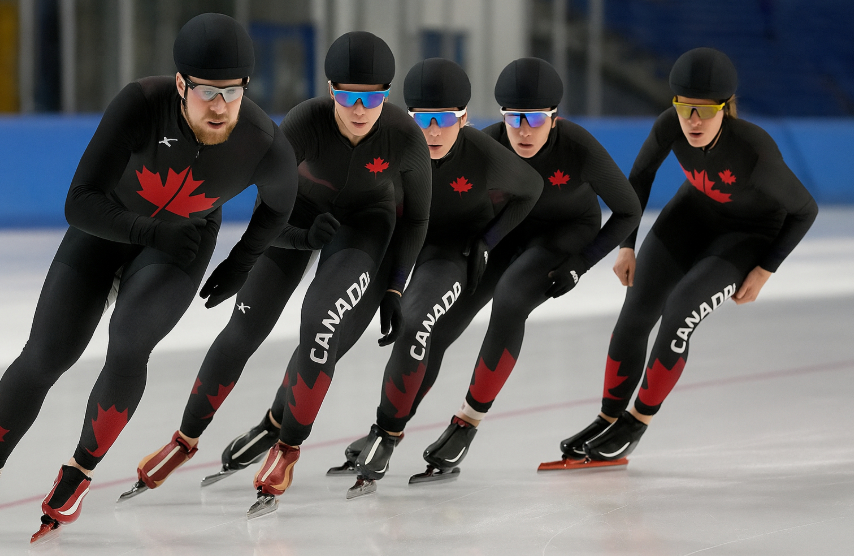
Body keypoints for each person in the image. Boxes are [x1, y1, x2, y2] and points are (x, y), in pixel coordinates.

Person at [0, 13, 299, 542]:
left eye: (232, 92)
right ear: (181, 84)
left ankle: (79, 470)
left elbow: (280, 206)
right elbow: (78, 202)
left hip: (180, 249)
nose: (220, 106)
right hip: (107, 229)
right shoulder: (141, 103)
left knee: (128, 344)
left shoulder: (263, 143)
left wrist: (242, 261)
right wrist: (150, 231)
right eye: (206, 91)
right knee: (45, 355)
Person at [123, 31, 432, 518]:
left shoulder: (405, 138)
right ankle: (185, 439)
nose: (358, 110)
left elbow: (416, 219)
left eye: (371, 99)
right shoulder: (304, 124)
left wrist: (394, 286)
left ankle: (287, 448)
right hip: (297, 218)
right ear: (330, 90)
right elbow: (267, 211)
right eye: (347, 97)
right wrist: (291, 242)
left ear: (386, 97)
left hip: (365, 227)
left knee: (320, 324)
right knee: (244, 327)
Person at [334, 57, 642, 482]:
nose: (524, 130)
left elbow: (628, 210)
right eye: (514, 118)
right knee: (435, 328)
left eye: (536, 119)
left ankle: (467, 422)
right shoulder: (487, 144)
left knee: (511, 298)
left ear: (555, 118)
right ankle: (388, 431)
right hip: (505, 234)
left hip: (564, 234)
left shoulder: (578, 147)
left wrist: (581, 263)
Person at [546, 47, 817, 469]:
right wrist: (626, 245)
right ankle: (608, 418)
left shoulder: (754, 152)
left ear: (725, 108)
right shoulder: (669, 125)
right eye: (684, 107)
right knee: (635, 314)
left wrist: (765, 269)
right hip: (690, 217)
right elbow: (638, 178)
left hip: (747, 235)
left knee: (680, 310)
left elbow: (805, 210)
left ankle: (637, 422)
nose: (693, 120)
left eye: (704, 111)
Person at [338, 58, 544, 498]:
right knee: (345, 324)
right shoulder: (390, 143)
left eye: (445, 120)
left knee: (417, 326)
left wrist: (487, 240)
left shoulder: (482, 153)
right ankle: (297, 423)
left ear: (464, 119)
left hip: (452, 251)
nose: (433, 131)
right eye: (423, 120)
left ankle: (387, 433)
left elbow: (531, 190)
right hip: (406, 244)